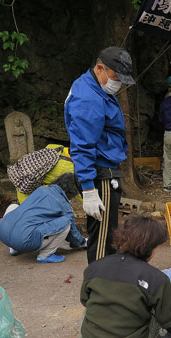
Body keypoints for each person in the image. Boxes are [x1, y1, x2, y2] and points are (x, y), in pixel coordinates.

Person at [75, 215, 171, 338]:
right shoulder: (156, 279)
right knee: (155, 314)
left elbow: (84, 300)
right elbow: (170, 322)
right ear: (151, 249)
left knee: (90, 307)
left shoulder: (95, 267)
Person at [64, 46, 135, 263]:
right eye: (116, 77)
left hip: (106, 167)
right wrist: (89, 189)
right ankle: (99, 286)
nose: (118, 83)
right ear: (100, 68)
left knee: (106, 232)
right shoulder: (88, 99)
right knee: (104, 238)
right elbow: (83, 146)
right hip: (101, 173)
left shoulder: (96, 87)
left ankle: (103, 280)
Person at [0, 173, 86, 263]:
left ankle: (13, 249)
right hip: (24, 241)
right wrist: (83, 243)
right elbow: (73, 234)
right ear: (73, 193)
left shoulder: (41, 190)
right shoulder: (65, 206)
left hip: (2, 233)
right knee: (67, 222)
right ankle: (45, 255)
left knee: (13, 206)